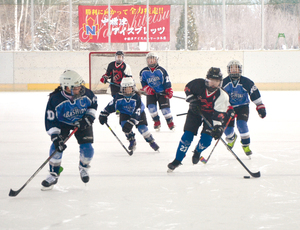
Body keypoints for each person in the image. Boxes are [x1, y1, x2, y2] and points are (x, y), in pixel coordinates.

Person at [42, 70, 98, 190]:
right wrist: (55, 136)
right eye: (76, 87)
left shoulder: (86, 93)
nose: (80, 88)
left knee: (88, 148)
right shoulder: (55, 99)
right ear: (66, 87)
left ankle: (83, 167)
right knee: (56, 147)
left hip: (82, 121)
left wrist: (88, 118)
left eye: (79, 86)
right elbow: (51, 119)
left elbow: (93, 105)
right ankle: (53, 173)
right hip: (63, 124)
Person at [168, 67, 230, 172]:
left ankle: (197, 151)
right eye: (211, 81)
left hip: (211, 116)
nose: (213, 84)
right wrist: (192, 100)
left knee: (206, 141)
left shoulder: (222, 96)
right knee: (187, 136)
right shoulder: (198, 84)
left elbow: (218, 114)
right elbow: (187, 89)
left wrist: (218, 127)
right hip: (195, 112)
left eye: (216, 81)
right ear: (207, 79)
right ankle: (177, 160)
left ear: (220, 82)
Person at [99, 77, 159, 153]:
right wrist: (104, 114)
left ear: (133, 88)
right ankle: (131, 140)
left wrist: (131, 122)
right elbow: (111, 106)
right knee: (125, 127)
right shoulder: (118, 97)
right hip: (125, 113)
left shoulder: (136, 97)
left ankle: (151, 141)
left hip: (139, 113)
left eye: (129, 88)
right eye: (125, 88)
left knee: (142, 129)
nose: (127, 90)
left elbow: (137, 111)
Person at [222, 60, 266, 157]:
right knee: (227, 131)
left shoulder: (246, 82)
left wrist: (260, 106)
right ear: (229, 70)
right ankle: (232, 138)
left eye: (236, 68)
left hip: (243, 107)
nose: (234, 71)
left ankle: (246, 145)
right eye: (232, 69)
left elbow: (254, 93)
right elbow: (219, 97)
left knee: (241, 124)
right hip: (228, 108)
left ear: (240, 70)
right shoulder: (224, 82)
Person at [139, 52, 175, 131]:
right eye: (149, 60)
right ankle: (156, 122)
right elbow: (143, 82)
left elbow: (166, 81)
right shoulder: (143, 72)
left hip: (162, 93)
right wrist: (146, 88)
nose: (151, 61)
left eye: (153, 59)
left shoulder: (161, 70)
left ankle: (170, 122)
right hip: (151, 94)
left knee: (165, 110)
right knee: (152, 108)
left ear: (156, 60)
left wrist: (168, 89)